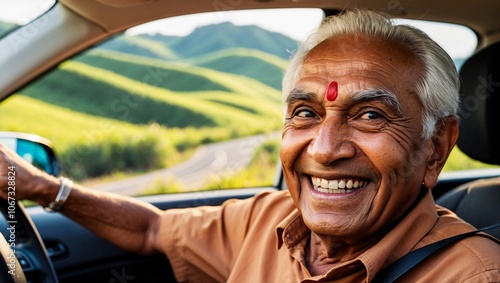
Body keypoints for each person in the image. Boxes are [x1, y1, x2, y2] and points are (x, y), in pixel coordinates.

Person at [1, 9, 499, 282]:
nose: (325, 149)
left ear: (436, 147)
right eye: (305, 113)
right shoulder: (266, 221)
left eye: (370, 115)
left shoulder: (473, 275)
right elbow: (154, 229)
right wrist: (42, 188)